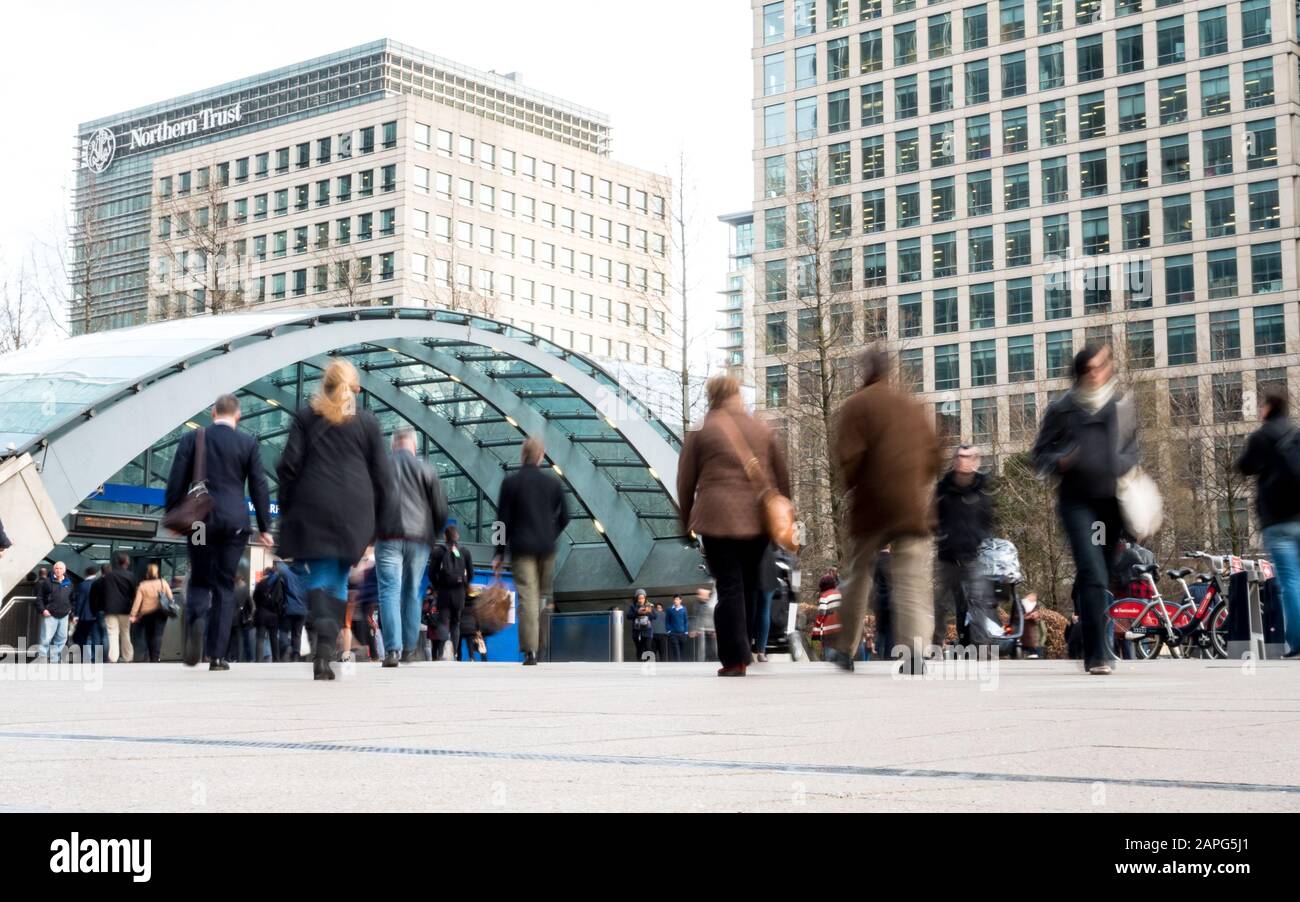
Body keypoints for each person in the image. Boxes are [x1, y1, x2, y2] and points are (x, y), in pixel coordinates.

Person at [828, 347, 943, 675]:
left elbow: (849, 457)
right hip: (912, 506)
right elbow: (935, 454)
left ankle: (846, 649)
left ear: (865, 372)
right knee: (911, 578)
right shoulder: (910, 406)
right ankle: (915, 652)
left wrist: (854, 485)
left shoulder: (856, 405)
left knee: (859, 573)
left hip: (874, 504)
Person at [277, 360, 392, 681]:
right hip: (354, 511)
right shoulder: (367, 423)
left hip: (312, 505)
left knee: (320, 572)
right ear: (354, 388)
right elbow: (382, 476)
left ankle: (323, 633)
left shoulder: (304, 417)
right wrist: (381, 520)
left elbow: (288, 464)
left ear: (324, 385)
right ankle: (327, 645)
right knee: (339, 574)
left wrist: (287, 504)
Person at [1031, 342, 1139, 676]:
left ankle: (1090, 633)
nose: (1096, 374)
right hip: (1078, 504)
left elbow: (1133, 451)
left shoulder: (1120, 406)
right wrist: (1062, 460)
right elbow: (1038, 456)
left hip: (1111, 503)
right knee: (1092, 572)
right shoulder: (1062, 408)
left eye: (1102, 366)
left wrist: (1121, 466)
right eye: (1089, 368)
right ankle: (1097, 655)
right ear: (1079, 373)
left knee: (1099, 574)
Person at [677, 374, 791, 677]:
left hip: (716, 518)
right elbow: (783, 475)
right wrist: (784, 515)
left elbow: (685, 479)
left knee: (730, 586)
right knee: (751, 585)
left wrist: (685, 518)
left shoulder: (702, 428)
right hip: (757, 519)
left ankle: (735, 659)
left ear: (712, 396)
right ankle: (750, 646)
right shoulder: (761, 428)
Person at [165, 393, 273, 672]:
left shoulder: (193, 439)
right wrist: (264, 527)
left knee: (200, 578)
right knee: (225, 584)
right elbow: (259, 486)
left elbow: (176, 479)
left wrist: (174, 516)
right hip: (234, 525)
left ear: (213, 413)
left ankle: (197, 620)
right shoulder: (248, 443)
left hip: (201, 523)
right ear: (237, 416)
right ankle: (216, 656)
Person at [493, 435, 570, 666]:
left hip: (522, 548)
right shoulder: (553, 484)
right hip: (547, 549)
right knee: (545, 597)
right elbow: (565, 516)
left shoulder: (510, 483)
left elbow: (501, 521)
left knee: (528, 598)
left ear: (522, 454)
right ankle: (543, 645)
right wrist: (550, 533)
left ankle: (530, 652)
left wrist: (498, 552)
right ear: (541, 455)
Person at [375, 427, 448, 667]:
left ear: (394, 444)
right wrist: (432, 535)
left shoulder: (381, 466)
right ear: (414, 446)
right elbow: (439, 508)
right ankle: (409, 650)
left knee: (389, 590)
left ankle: (392, 651)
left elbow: (370, 502)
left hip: (388, 536)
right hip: (418, 539)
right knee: (412, 591)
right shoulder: (426, 469)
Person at [1236, 387, 1300, 658]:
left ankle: (1297, 643)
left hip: (1277, 521)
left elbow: (1244, 467)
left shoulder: (1261, 436)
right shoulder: (1297, 434)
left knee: (1290, 582)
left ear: (1268, 408)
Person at [934, 444, 996, 647]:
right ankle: (935, 642)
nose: (963, 461)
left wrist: (981, 538)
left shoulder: (982, 490)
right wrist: (941, 536)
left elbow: (988, 519)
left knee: (978, 600)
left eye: (968, 457)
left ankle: (980, 645)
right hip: (947, 555)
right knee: (941, 603)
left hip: (973, 555)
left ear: (976, 461)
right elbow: (932, 517)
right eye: (960, 456)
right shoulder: (943, 489)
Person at [428, 525, 473, 662]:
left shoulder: (438, 551)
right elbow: (471, 574)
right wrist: (463, 585)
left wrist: (437, 586)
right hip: (459, 593)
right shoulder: (465, 552)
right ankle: (454, 653)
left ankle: (442, 651)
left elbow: (431, 573)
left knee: (443, 621)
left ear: (445, 537)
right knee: (456, 623)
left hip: (443, 592)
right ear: (457, 536)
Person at [129, 564, 174, 663]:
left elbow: (137, 602)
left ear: (147, 574)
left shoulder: (143, 585)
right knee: (158, 635)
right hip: (161, 612)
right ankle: (155, 657)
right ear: (157, 573)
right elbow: (170, 597)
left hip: (146, 614)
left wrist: (133, 615)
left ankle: (150, 656)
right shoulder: (163, 582)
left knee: (148, 635)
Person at [100, 554, 138, 664]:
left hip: (110, 609)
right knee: (125, 633)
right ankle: (128, 657)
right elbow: (134, 594)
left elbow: (104, 592)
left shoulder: (108, 575)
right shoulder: (130, 576)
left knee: (112, 633)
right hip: (125, 609)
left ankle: (113, 658)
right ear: (127, 562)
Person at [36, 562, 74, 661]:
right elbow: (39, 597)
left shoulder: (69, 583)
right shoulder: (47, 582)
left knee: (61, 639)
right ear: (53, 570)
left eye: (61, 568)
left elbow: (73, 598)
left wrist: (70, 609)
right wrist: (43, 610)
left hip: (64, 615)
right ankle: (42, 659)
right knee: (45, 639)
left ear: (64, 570)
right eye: (56, 568)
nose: (58, 570)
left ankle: (54, 660)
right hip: (50, 615)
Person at [751, 544, 779, 663]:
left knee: (750, 609)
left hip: (752, 568)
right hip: (768, 568)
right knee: (764, 610)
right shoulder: (769, 527)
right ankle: (761, 652)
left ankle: (747, 648)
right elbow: (776, 546)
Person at [71, 566, 104, 661]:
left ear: (86, 574)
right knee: (96, 637)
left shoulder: (82, 585)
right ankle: (97, 658)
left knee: (83, 637)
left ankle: (85, 657)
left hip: (85, 615)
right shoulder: (99, 584)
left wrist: (76, 615)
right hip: (97, 614)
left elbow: (79, 601)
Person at [253, 565, 284, 662]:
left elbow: (255, 597)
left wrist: (259, 606)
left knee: (260, 638)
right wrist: (278, 611)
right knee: (274, 638)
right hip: (273, 615)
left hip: (262, 613)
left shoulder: (261, 583)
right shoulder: (278, 583)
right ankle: (276, 659)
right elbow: (280, 599)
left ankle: (258, 660)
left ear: (265, 573)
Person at [811, 574, 842, 657]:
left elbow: (822, 614)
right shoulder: (839, 594)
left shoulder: (824, 596)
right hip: (841, 629)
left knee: (829, 656)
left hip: (829, 631)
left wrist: (817, 624)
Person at [628, 589, 654, 660]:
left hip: (647, 630)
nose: (641, 600)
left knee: (648, 647)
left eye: (642, 598)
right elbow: (628, 616)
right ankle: (640, 664)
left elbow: (654, 616)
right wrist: (637, 612)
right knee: (639, 648)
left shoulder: (649, 605)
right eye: (639, 598)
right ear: (636, 598)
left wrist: (648, 612)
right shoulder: (633, 606)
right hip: (637, 631)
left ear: (645, 598)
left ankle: (650, 662)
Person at [665, 595, 689, 662]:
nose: (675, 601)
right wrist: (668, 631)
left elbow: (686, 621)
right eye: (674, 599)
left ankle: (682, 664)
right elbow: (667, 621)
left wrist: (686, 631)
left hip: (682, 633)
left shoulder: (684, 609)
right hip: (673, 633)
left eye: (677, 599)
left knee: (682, 650)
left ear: (680, 600)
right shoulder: (669, 609)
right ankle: (677, 664)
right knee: (676, 650)